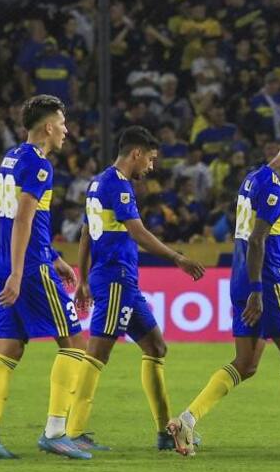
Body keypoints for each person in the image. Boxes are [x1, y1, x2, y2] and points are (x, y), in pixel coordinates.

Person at [166, 138, 280, 457]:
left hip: (241, 278)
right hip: (265, 284)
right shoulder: (275, 188)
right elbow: (258, 240)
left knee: (246, 364)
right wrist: (259, 290)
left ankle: (187, 420)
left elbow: (251, 239)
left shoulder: (252, 178)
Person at [66, 126, 206, 452]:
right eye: (150, 159)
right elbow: (138, 232)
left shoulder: (97, 182)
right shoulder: (118, 185)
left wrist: (83, 278)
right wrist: (177, 258)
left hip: (119, 280)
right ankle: (72, 433)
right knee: (98, 352)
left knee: (156, 346)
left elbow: (86, 233)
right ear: (136, 153)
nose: (151, 167)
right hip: (115, 277)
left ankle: (164, 432)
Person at [0, 95, 89, 460]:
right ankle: (55, 432)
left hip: (7, 260)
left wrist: (54, 256)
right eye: (63, 124)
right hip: (29, 267)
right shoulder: (40, 165)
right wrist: (21, 271)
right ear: (48, 127)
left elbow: (13, 220)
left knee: (9, 348)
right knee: (75, 343)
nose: (66, 131)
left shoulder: (11, 158)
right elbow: (23, 218)